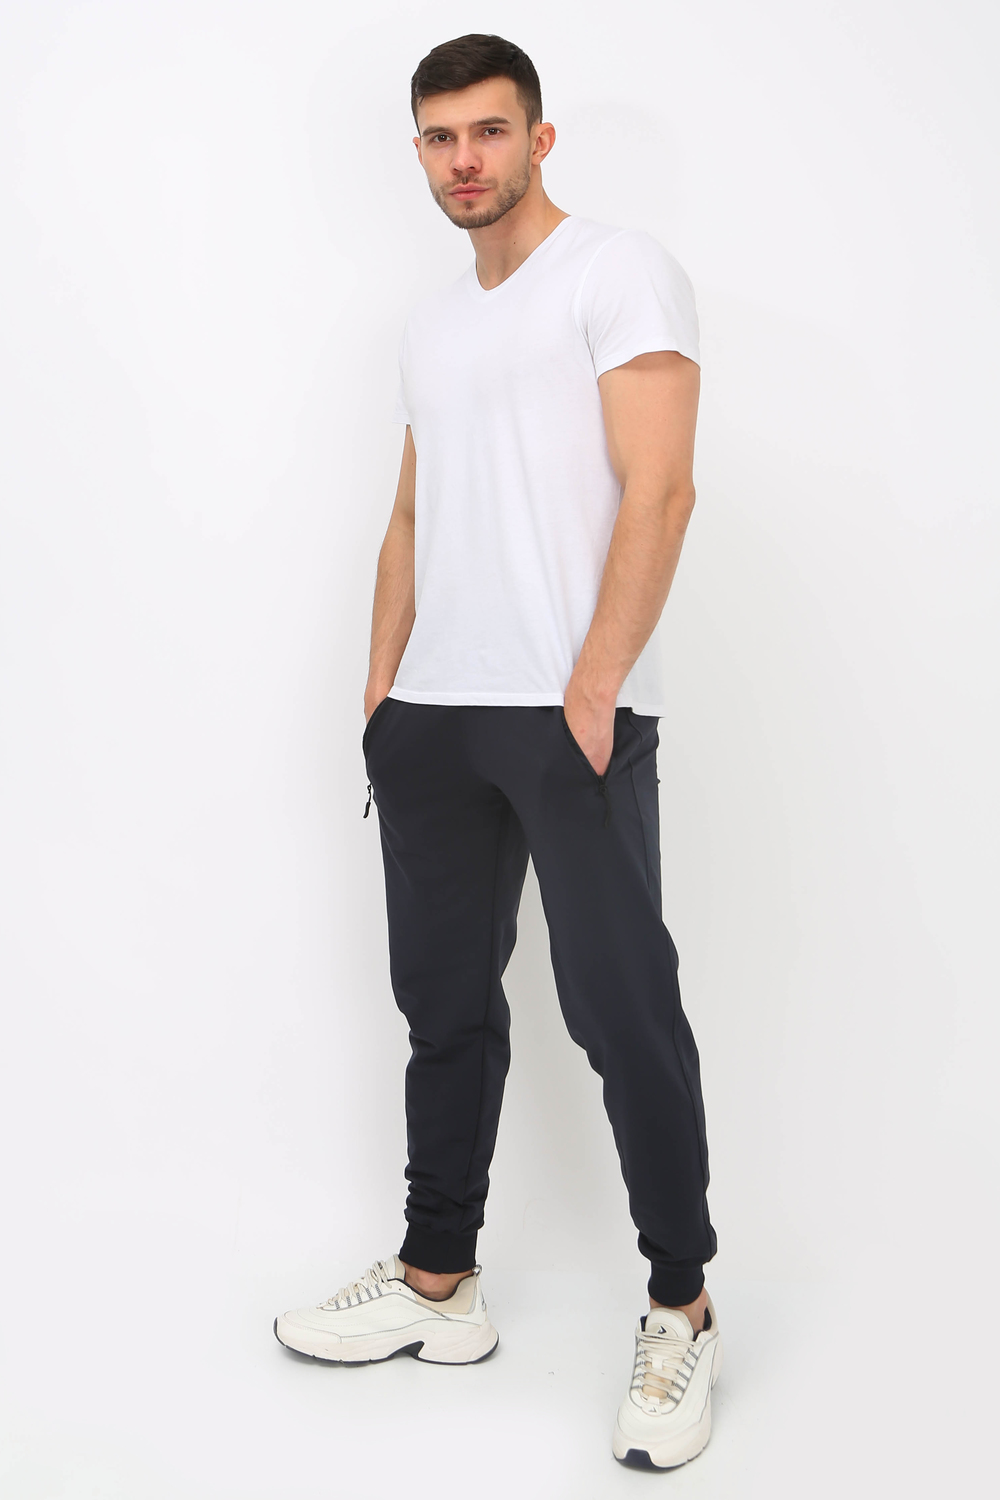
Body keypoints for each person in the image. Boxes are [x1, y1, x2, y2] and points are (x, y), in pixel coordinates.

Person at [275, 33, 721, 1471]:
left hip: (568, 714)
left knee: (621, 1011)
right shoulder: (432, 325)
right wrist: (381, 687)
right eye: (439, 137)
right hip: (434, 719)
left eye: (488, 130)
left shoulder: (616, 272)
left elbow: (663, 488)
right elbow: (414, 512)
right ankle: (437, 1284)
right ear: (419, 152)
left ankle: (682, 1305)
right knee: (443, 1012)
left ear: (539, 137)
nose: (464, 158)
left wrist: (594, 685)